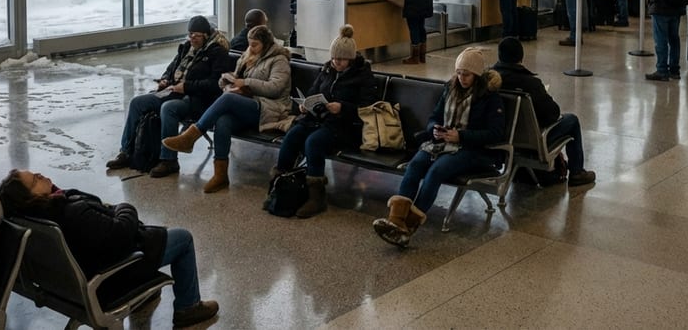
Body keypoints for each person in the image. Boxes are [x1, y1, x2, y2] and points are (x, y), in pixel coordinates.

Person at [0, 169, 219, 328]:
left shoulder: (28, 217)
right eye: (35, 179)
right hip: (113, 274)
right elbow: (120, 234)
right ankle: (188, 308)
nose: (41, 175)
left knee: (159, 231)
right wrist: (126, 207)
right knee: (183, 238)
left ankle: (146, 297)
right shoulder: (69, 213)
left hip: (78, 278)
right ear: (32, 197)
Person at [372, 48, 505, 247]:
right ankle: (395, 220)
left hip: (474, 151)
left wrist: (461, 135)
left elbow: (495, 133)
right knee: (415, 165)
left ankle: (407, 227)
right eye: (459, 73)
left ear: (477, 75)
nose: (461, 78)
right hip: (443, 143)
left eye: (466, 74)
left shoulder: (490, 97)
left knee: (436, 171)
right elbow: (434, 116)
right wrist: (434, 129)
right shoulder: (450, 89)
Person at [161, 25, 291, 193]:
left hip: (269, 108)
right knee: (223, 121)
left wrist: (246, 83)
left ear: (266, 44)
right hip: (246, 102)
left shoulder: (278, 60)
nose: (251, 47)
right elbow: (237, 76)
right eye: (250, 44)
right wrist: (227, 81)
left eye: (255, 44)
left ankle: (191, 136)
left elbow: (276, 87)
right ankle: (220, 174)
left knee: (228, 99)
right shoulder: (248, 55)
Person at [106, 15, 235, 178]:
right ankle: (126, 151)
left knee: (169, 108)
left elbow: (215, 84)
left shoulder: (218, 53)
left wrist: (186, 87)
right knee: (137, 103)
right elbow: (172, 68)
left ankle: (169, 160)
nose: (193, 38)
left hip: (198, 100)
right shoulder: (187, 48)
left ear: (206, 35)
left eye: (197, 35)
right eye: (190, 34)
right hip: (174, 91)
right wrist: (165, 79)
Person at [271, 25, 378, 218]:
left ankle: (316, 197)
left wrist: (343, 107)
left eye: (341, 59)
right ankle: (280, 186)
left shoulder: (362, 76)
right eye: (334, 58)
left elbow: (367, 107)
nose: (336, 62)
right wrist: (305, 105)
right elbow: (314, 92)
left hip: (345, 126)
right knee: (292, 136)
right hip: (318, 119)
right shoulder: (328, 69)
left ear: (351, 59)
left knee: (314, 143)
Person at [491, 38, 595, 187]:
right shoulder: (530, 84)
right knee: (572, 120)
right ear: (521, 58)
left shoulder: (490, 80)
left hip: (502, 138)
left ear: (499, 56)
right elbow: (552, 114)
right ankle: (577, 172)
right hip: (532, 139)